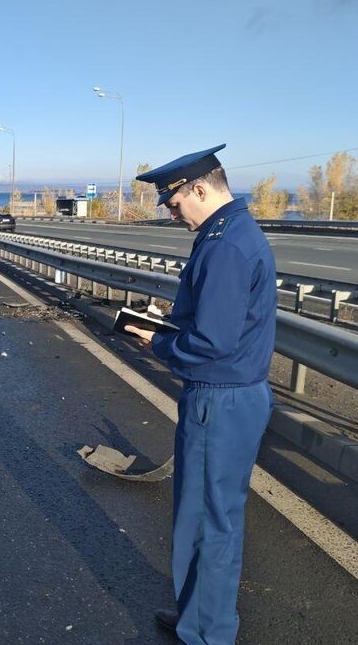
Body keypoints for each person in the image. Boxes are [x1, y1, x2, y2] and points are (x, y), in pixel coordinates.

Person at [123, 144, 277, 645]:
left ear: (201, 189)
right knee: (210, 515)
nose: (172, 214)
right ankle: (197, 615)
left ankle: (208, 633)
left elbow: (212, 342)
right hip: (230, 395)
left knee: (208, 522)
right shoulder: (228, 232)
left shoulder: (225, 244)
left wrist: (156, 340)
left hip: (221, 397)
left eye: (173, 203)